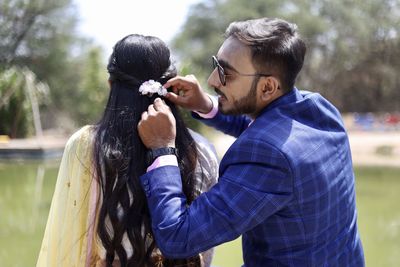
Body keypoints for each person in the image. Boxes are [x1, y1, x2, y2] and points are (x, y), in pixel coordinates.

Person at [137, 18, 365, 266]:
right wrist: (206, 105)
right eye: (216, 65)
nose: (213, 80)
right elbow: (259, 126)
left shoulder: (267, 155)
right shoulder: (319, 109)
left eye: (227, 73)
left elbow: (178, 237)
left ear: (267, 87)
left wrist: (162, 150)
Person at [36, 34, 218, 267]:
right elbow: (205, 249)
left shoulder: (85, 146)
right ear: (172, 84)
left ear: (111, 85)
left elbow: (69, 235)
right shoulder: (202, 151)